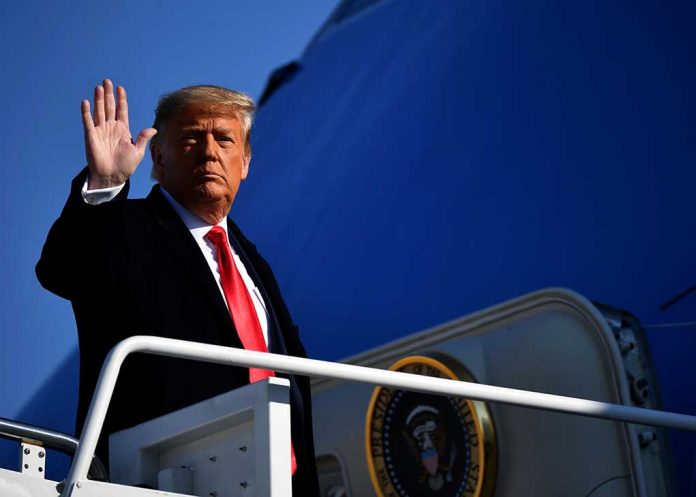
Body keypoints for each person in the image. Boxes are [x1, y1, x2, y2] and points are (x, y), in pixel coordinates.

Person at [36, 79, 319, 495]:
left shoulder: (252, 262)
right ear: (158, 158)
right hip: (158, 479)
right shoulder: (124, 229)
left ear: (245, 162)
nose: (209, 152)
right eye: (190, 138)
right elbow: (65, 272)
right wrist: (103, 186)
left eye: (224, 139)